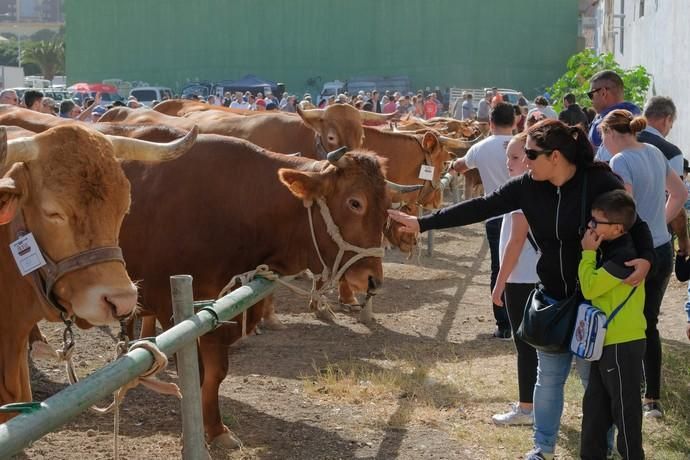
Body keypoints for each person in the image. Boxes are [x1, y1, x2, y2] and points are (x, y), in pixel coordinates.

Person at [388, 119, 654, 460]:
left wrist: (646, 258)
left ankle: (600, 448)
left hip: (593, 301)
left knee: (595, 387)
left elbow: (637, 222)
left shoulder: (599, 181)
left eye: (531, 154)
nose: (525, 161)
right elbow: (481, 207)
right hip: (554, 298)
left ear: (555, 156)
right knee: (548, 378)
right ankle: (542, 448)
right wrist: (423, 223)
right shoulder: (528, 186)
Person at [601, 109, 688, 419]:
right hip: (662, 247)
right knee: (649, 322)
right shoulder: (653, 150)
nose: (604, 145)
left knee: (627, 322)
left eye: (603, 138)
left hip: (636, 251)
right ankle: (652, 398)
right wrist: (659, 222)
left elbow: (624, 212)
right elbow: (679, 193)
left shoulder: (620, 161)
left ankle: (628, 389)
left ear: (610, 132)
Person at [578, 190, 647, 460]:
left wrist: (587, 255)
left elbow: (590, 287)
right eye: (590, 220)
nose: (590, 227)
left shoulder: (623, 257)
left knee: (625, 412)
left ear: (617, 228)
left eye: (597, 223)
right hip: (605, 342)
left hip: (621, 343)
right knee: (595, 408)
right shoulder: (613, 247)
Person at [450, 102, 516, 339]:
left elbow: (461, 166)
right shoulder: (524, 144)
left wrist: (451, 166)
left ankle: (504, 324)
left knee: (498, 268)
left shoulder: (481, 147)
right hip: (525, 215)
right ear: (515, 122)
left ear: (490, 123)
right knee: (525, 266)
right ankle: (524, 318)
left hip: (495, 216)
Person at [490, 132, 539, 425]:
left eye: (515, 157)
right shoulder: (538, 188)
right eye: (508, 156)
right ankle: (531, 402)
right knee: (531, 344)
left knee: (524, 345)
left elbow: (516, 241)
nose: (509, 162)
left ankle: (526, 408)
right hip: (529, 274)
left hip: (522, 277)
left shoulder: (523, 193)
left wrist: (500, 282)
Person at [587, 70, 641, 162]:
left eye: (591, 95)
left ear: (603, 93)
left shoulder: (609, 128)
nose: (590, 100)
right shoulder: (636, 117)